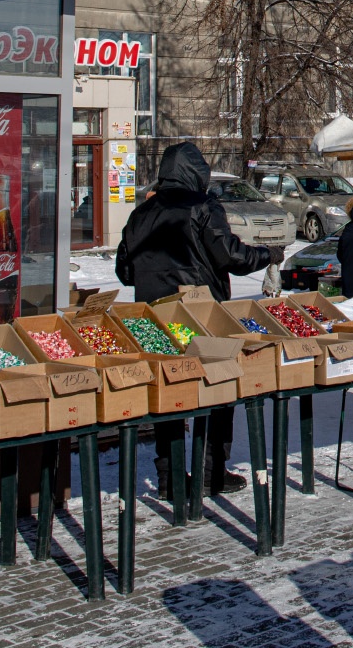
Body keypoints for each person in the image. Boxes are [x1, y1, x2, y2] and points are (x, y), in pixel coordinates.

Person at [115, 143, 275, 497]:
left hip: (156, 319)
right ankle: (211, 472)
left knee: (170, 395)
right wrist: (269, 253)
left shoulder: (141, 213)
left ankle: (170, 478)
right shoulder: (203, 206)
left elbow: (125, 271)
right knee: (218, 391)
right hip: (203, 317)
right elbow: (231, 255)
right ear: (197, 173)